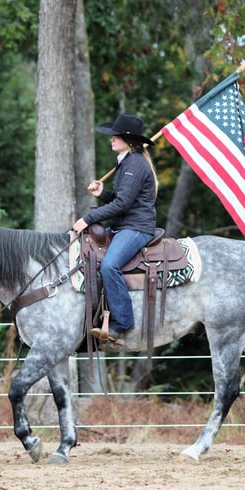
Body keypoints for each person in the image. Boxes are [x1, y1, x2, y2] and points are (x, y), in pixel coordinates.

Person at [72, 112, 158, 344]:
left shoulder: (135, 164)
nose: (111, 139)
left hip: (137, 227)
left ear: (128, 140)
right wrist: (103, 194)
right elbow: (121, 199)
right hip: (123, 224)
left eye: (116, 136)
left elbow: (122, 205)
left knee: (110, 265)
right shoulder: (126, 162)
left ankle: (122, 324)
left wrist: (88, 218)